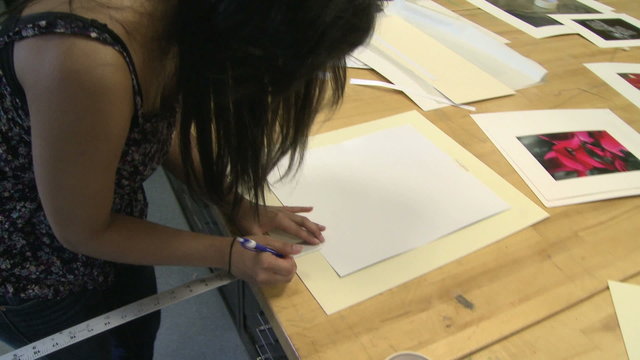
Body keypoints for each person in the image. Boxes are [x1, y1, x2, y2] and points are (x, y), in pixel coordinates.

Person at [0, 0, 382, 358]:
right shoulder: (84, 60)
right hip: (36, 270)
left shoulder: (180, 19)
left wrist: (234, 201)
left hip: (111, 223)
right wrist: (227, 253)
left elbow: (151, 124)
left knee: (134, 339)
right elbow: (83, 231)